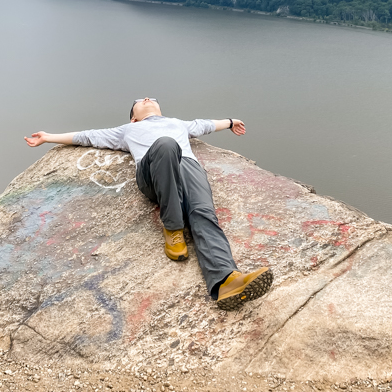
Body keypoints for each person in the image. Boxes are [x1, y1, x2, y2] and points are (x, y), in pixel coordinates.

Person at [24, 97, 273, 311]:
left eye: (150, 98)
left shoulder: (177, 123)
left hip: (188, 166)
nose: (146, 98)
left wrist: (230, 122)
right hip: (153, 171)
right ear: (133, 118)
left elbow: (205, 125)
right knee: (166, 144)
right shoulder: (126, 130)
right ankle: (173, 228)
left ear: (159, 109)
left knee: (203, 213)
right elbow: (86, 136)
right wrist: (48, 138)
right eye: (139, 101)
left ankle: (226, 280)